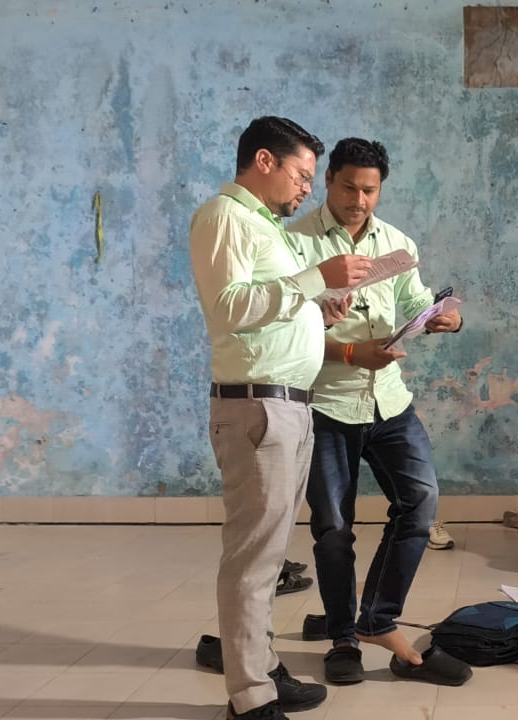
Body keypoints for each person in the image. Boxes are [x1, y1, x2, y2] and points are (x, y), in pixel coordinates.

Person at [189, 117, 372, 720]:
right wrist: (317, 278)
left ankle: (263, 667)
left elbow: (271, 308)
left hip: (288, 404)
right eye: (302, 174)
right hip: (256, 406)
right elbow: (228, 309)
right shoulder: (225, 217)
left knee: (269, 556)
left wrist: (318, 310)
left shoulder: (269, 228)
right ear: (264, 161)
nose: (306, 189)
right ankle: (250, 698)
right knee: (252, 557)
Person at [289, 138, 471, 687]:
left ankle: (376, 619)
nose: (359, 200)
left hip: (389, 400)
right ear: (328, 181)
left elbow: (412, 304)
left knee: (420, 501)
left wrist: (442, 318)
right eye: (349, 187)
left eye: (370, 190)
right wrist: (349, 352)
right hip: (325, 404)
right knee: (333, 529)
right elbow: (285, 332)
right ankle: (343, 638)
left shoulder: (396, 243)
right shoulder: (295, 243)